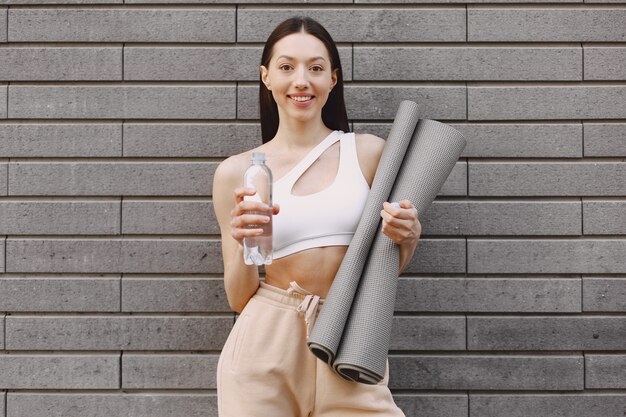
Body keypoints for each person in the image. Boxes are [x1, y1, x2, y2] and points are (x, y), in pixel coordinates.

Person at [212, 15, 421, 417]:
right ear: (266, 77)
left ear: (333, 79)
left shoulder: (368, 153)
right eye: (287, 67)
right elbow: (239, 298)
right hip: (265, 342)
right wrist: (242, 245)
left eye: (316, 68)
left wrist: (408, 236)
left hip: (348, 337)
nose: (301, 81)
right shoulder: (237, 172)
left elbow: (385, 268)